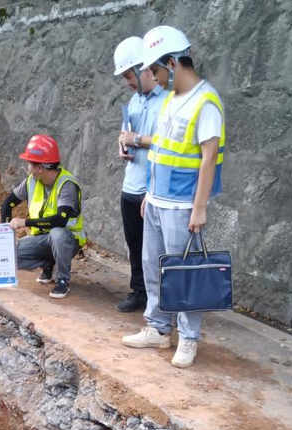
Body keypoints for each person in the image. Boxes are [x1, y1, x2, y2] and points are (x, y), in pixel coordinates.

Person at [121, 26, 225, 368]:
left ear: (172, 62)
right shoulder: (171, 100)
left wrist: (199, 208)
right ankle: (158, 328)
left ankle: (189, 337)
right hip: (158, 200)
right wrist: (150, 193)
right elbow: (161, 151)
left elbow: (209, 158)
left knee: (184, 273)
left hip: (183, 205)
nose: (152, 76)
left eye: (155, 69)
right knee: (153, 267)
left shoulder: (206, 101)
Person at [111, 36, 166, 313]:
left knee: (154, 250)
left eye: (128, 75)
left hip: (154, 187)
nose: (127, 82)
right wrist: (123, 144)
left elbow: (170, 141)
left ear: (144, 69)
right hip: (131, 184)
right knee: (135, 246)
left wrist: (138, 139)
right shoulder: (134, 101)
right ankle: (139, 292)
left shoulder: (168, 100)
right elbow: (126, 133)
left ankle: (163, 300)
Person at [0, 135, 86, 299]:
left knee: (57, 233)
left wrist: (24, 222)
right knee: (9, 254)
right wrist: (4, 237)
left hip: (67, 241)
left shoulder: (66, 185)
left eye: (30, 163)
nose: (27, 168)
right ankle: (48, 263)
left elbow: (60, 220)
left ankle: (62, 281)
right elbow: (7, 204)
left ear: (40, 167)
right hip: (42, 240)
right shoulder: (32, 181)